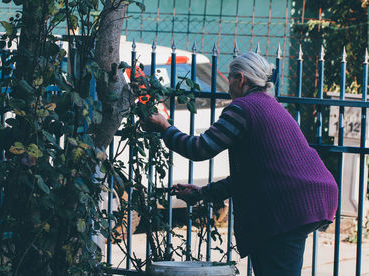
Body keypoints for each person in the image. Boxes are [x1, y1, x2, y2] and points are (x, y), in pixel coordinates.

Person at [144, 52, 338, 276]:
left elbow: (199, 149)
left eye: (230, 77)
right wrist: (202, 194)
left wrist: (165, 127)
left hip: (288, 203)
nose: (228, 84)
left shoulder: (242, 109)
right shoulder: (271, 106)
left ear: (241, 79)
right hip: (306, 198)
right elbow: (250, 177)